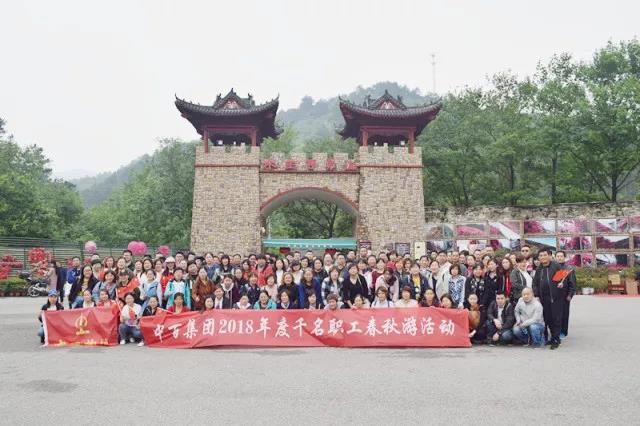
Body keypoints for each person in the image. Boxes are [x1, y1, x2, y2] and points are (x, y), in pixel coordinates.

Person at [532, 248, 565, 349]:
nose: (542, 257)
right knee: (548, 319)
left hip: (556, 298)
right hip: (544, 299)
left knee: (556, 319)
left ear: (549, 256)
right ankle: (552, 338)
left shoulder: (556, 266)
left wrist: (562, 284)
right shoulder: (539, 269)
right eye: (540, 255)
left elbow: (563, 279)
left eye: (544, 255)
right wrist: (536, 295)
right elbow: (535, 283)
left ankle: (556, 339)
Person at [555, 250, 577, 339]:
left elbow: (573, 284)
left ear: (564, 258)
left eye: (561, 256)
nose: (559, 258)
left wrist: (570, 295)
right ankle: (555, 331)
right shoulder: (553, 268)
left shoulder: (568, 268)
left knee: (564, 314)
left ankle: (563, 332)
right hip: (554, 295)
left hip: (564, 296)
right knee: (555, 315)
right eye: (558, 256)